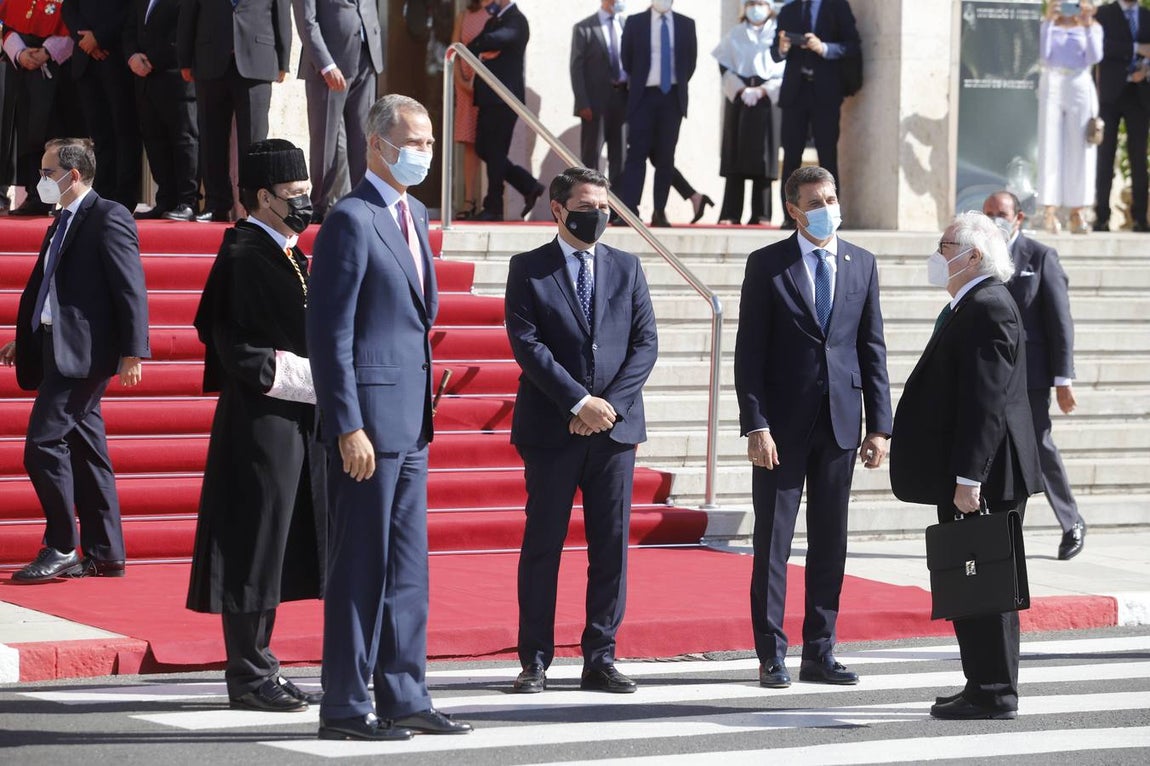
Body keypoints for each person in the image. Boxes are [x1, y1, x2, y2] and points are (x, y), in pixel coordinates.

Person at [307, 94, 473, 741]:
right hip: (368, 428)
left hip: (412, 422)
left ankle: (405, 694)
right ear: (376, 145)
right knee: (360, 568)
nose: (425, 154)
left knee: (407, 570)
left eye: (430, 143)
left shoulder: (415, 213)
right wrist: (347, 424)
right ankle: (346, 706)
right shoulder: (351, 219)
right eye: (414, 143)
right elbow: (330, 333)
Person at [733, 165, 891, 689]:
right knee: (773, 543)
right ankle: (771, 653)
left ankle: (820, 651)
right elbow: (749, 353)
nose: (828, 208)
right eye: (816, 202)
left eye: (832, 198)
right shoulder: (767, 264)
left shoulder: (861, 262)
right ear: (794, 211)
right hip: (781, 429)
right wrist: (755, 424)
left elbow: (871, 347)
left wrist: (879, 427)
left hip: (841, 424)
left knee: (830, 542)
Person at [504, 167, 658, 695]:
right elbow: (527, 344)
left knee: (610, 547)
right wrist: (578, 401)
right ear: (559, 209)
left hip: (613, 433)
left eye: (605, 208)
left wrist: (606, 408)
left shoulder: (627, 266)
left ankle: (601, 657)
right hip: (551, 429)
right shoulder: (529, 268)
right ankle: (534, 660)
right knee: (543, 545)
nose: (599, 216)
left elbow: (645, 344)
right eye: (587, 207)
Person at [186, 139, 326, 713]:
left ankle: (263, 664)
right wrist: (324, 380)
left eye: (307, 192)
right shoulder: (245, 255)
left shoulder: (291, 254)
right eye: (295, 194)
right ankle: (248, 673)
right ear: (264, 197)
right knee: (254, 541)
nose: (305, 203)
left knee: (276, 543)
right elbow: (237, 348)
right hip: (259, 421)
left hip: (294, 420)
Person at [889, 211, 1042, 720]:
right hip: (972, 471)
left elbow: (986, 401)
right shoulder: (971, 304)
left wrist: (968, 478)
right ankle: (983, 685)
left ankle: (994, 692)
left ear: (973, 256)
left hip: (985, 475)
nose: (937, 255)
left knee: (985, 583)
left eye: (945, 246)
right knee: (971, 581)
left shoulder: (988, 306)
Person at [0, 138, 150, 583]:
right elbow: (48, 287)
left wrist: (133, 351)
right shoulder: (61, 220)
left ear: (74, 175)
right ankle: (107, 552)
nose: (41, 181)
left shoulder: (108, 216)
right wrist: (25, 337)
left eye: (48, 173)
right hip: (55, 347)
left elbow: (130, 286)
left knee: (42, 445)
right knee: (87, 452)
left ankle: (62, 546)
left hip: (85, 356)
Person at [984, 191, 1086, 561]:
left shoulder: (1040, 256)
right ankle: (994, 529)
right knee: (990, 447)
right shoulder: (979, 256)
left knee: (1039, 445)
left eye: (1000, 213)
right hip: (991, 372)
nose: (994, 219)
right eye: (988, 213)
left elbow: (1060, 321)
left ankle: (1071, 521)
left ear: (1019, 217)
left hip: (1032, 376)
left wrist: (1063, 378)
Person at [177, 0, 291, 222]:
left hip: (257, 60)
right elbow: (188, 13)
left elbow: (282, 14)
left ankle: (254, 206)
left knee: (254, 142)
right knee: (212, 138)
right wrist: (185, 59)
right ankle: (216, 203)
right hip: (209, 60)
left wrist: (283, 60)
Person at [292, 0, 385, 223]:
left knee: (364, 137)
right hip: (329, 64)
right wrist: (326, 64)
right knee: (326, 140)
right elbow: (307, 21)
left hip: (366, 58)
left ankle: (365, 202)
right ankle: (319, 204)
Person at [771, 0, 860, 229]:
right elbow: (774, 53)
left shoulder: (837, 6)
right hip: (795, 94)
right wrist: (782, 47)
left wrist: (824, 47)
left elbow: (852, 46)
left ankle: (831, 216)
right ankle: (790, 217)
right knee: (791, 156)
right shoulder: (788, 10)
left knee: (827, 155)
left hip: (825, 94)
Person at [0, 0, 85, 216]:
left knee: (55, 134)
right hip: (22, 67)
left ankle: (62, 196)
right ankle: (35, 194)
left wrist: (47, 51)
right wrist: (20, 53)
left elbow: (74, 24)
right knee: (28, 133)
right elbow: (8, 26)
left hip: (58, 69)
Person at [617, 0, 697, 228]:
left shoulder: (686, 24)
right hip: (643, 96)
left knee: (665, 157)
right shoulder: (635, 22)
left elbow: (690, 63)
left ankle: (659, 211)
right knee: (636, 154)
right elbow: (627, 59)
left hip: (672, 98)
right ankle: (629, 210)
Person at [468, 0, 545, 221]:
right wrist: (484, 50)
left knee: (495, 152)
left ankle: (494, 207)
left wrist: (485, 48)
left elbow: (490, 40)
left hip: (504, 99)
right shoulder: (494, 21)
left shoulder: (516, 21)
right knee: (485, 149)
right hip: (488, 97)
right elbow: (472, 46)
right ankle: (528, 185)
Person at [124, 0, 201, 221]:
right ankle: (165, 199)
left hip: (176, 79)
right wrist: (132, 56)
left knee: (184, 141)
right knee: (155, 142)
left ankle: (188, 201)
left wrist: (151, 59)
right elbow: (129, 29)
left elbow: (184, 35)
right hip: (146, 81)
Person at [62, 0, 142, 213]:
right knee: (99, 135)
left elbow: (128, 10)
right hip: (86, 62)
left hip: (116, 59)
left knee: (124, 132)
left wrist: (99, 38)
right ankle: (102, 192)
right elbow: (69, 8)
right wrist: (85, 39)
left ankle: (124, 196)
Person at [713, 0, 786, 226]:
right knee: (735, 154)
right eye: (753, 2)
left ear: (770, 7)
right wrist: (740, 89)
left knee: (764, 157)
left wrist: (764, 90)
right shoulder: (735, 33)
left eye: (761, 3)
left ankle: (762, 214)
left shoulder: (778, 34)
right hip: (739, 98)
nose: (757, 8)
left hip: (767, 100)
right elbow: (724, 65)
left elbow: (785, 68)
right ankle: (731, 213)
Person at [1037, 2, 1102, 235]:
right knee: (1049, 144)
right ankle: (1049, 209)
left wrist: (1086, 24)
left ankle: (1078, 210)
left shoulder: (1092, 26)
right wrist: (1048, 20)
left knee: (1081, 147)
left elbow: (1095, 57)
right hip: (1053, 81)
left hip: (1079, 82)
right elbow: (1044, 56)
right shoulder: (1048, 24)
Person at [1094, 0, 1150, 232]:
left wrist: (1146, 68)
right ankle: (1101, 217)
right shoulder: (1104, 13)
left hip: (1139, 95)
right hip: (1110, 96)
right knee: (1105, 156)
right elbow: (1101, 46)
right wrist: (1136, 48)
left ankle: (1140, 218)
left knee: (1139, 157)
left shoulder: (1146, 15)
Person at [571, 1, 630, 190]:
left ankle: (617, 204)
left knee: (620, 158)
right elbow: (576, 69)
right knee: (591, 158)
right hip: (595, 104)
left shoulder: (627, 26)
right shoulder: (584, 28)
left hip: (623, 100)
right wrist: (582, 103)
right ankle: (589, 202)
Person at [451, 0, 489, 219]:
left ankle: (491, 200)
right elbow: (454, 51)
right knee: (469, 143)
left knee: (488, 143)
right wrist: (461, 80)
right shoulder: (464, 15)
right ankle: (468, 200)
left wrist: (478, 82)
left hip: (487, 86)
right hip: (465, 88)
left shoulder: (497, 14)